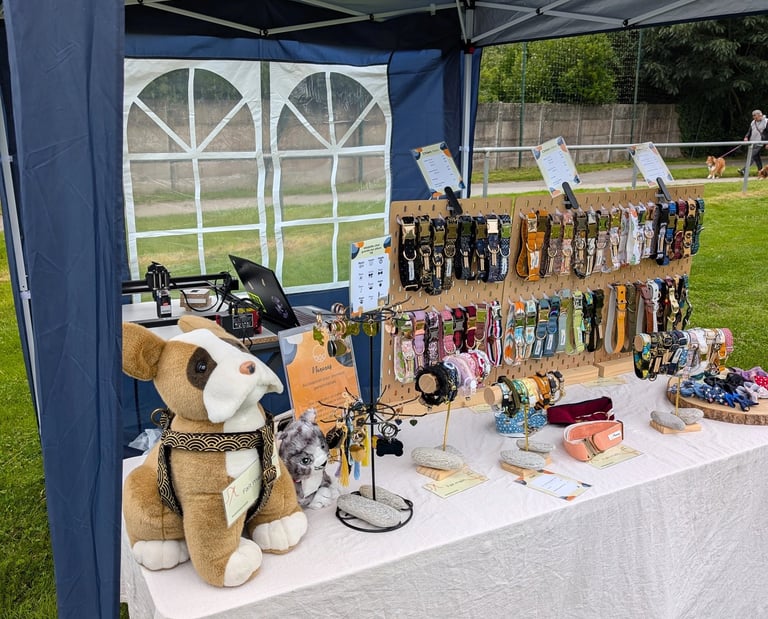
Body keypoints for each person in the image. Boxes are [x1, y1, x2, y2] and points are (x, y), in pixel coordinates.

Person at [738, 109, 767, 175]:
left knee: (751, 155)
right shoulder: (753, 122)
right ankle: (761, 171)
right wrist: (746, 137)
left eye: (755, 116)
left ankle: (744, 170)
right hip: (752, 142)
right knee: (756, 157)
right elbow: (749, 131)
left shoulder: (766, 122)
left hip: (760, 142)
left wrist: (767, 143)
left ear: (760, 115)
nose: (754, 117)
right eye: (753, 116)